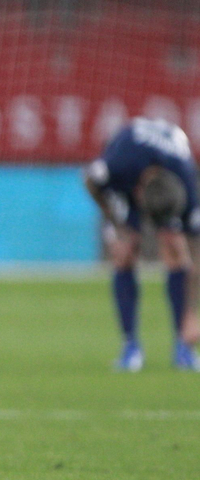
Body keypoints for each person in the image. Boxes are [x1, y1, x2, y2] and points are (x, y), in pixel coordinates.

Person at [84, 117, 200, 372]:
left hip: (165, 177)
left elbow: (197, 255)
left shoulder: (187, 184)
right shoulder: (119, 163)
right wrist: (116, 224)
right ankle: (130, 346)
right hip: (126, 179)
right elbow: (89, 181)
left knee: (175, 249)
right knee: (125, 252)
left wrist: (193, 315)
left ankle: (183, 346)